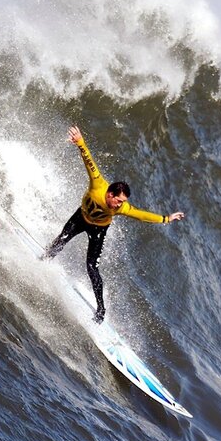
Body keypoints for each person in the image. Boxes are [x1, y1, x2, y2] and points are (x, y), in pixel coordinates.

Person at [43, 125, 184, 323]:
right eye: (118, 200)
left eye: (123, 202)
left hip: (98, 229)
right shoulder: (98, 184)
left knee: (91, 266)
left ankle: (101, 309)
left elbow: (142, 215)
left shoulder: (122, 208)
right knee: (62, 239)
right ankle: (44, 260)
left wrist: (166, 219)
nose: (120, 205)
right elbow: (89, 161)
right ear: (110, 194)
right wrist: (80, 142)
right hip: (80, 217)